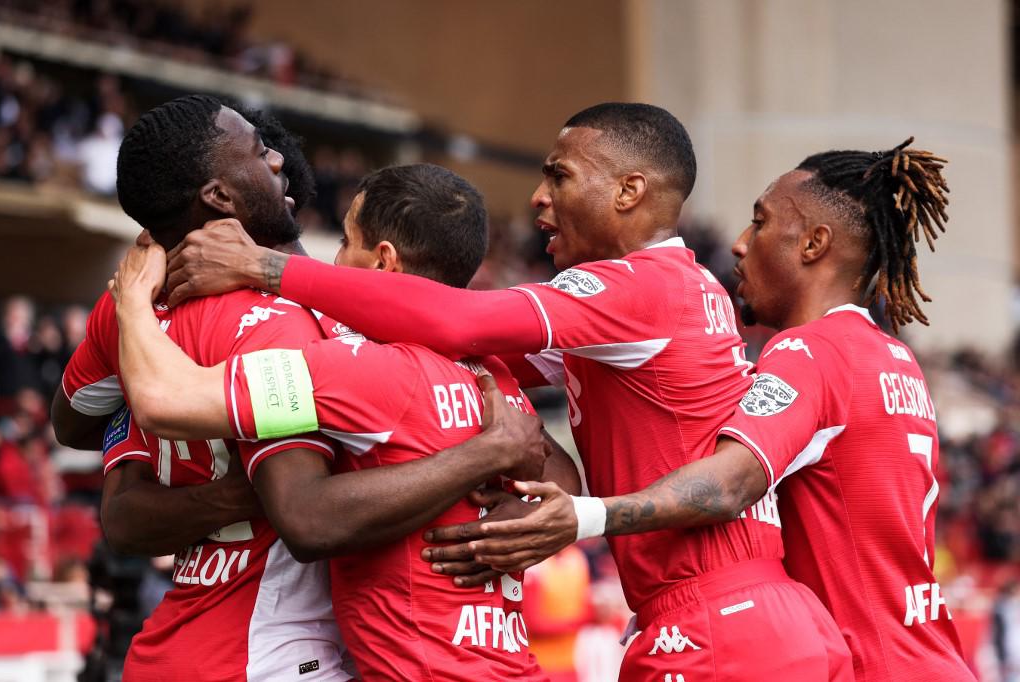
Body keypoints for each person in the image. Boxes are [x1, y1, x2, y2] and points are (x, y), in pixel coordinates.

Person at [161, 102, 852, 681]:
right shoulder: (673, 297)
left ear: (629, 192)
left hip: (713, 628)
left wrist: (264, 270)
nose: (538, 198)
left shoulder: (638, 286)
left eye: (560, 175)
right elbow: (465, 361)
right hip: (759, 617)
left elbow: (454, 323)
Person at [54, 97, 547, 681]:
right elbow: (305, 515)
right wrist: (496, 466)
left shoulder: (129, 320)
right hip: (275, 657)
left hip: (185, 646)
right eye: (258, 152)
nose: (278, 158)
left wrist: (135, 317)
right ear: (219, 196)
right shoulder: (307, 333)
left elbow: (84, 441)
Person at [450, 139, 975, 681]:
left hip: (870, 664)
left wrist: (585, 516)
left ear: (815, 243)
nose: (740, 244)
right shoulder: (896, 360)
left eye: (760, 222)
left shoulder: (810, 350)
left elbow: (730, 483)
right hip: (933, 658)